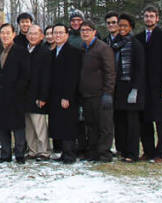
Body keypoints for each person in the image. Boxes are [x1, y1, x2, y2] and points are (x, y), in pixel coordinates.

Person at [135, 5, 162, 162]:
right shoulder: (138, 38)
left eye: (152, 16)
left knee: (161, 122)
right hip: (143, 86)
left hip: (160, 86)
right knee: (145, 121)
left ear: (157, 18)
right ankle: (148, 151)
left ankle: (160, 153)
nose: (149, 19)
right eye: (146, 16)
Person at [0, 23, 30, 163]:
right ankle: (5, 154)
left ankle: (19, 154)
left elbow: (25, 75)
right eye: (2, 33)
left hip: (16, 95)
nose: (5, 35)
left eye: (8, 33)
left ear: (13, 34)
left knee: (17, 125)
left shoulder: (21, 51)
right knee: (2, 125)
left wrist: (18, 91)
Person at [77, 19, 115, 162]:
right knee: (91, 125)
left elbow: (110, 72)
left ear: (94, 32)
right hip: (87, 95)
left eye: (88, 30)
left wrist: (108, 93)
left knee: (104, 126)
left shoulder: (103, 48)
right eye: (82, 30)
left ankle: (104, 153)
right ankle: (93, 152)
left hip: (101, 94)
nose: (85, 33)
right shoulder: (83, 48)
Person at [110, 13, 145, 163]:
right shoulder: (115, 43)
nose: (122, 28)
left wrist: (136, 89)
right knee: (119, 120)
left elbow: (140, 68)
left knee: (132, 122)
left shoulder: (135, 44)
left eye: (125, 25)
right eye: (120, 25)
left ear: (130, 27)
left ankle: (132, 152)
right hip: (118, 87)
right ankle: (122, 150)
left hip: (131, 86)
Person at [49, 23, 81, 163]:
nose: (58, 35)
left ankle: (69, 154)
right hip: (55, 95)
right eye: (55, 32)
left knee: (68, 125)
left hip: (67, 96)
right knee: (60, 124)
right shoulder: (53, 51)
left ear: (67, 35)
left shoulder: (73, 52)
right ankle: (63, 152)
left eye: (61, 33)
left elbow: (72, 77)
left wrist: (67, 96)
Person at [25, 24, 51, 160]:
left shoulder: (44, 51)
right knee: (29, 125)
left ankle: (43, 151)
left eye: (35, 34)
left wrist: (43, 96)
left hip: (38, 94)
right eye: (30, 33)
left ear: (41, 36)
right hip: (26, 94)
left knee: (39, 125)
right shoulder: (26, 49)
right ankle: (32, 150)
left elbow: (46, 76)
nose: (32, 36)